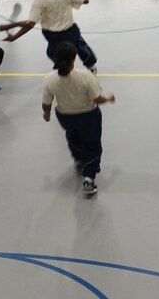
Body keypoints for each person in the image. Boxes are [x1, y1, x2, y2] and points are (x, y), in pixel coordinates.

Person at [42, 41, 116, 197]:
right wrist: (108, 98)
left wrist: (46, 114)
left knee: (72, 136)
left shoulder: (49, 79)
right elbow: (96, 99)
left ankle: (79, 160)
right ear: (73, 59)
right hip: (88, 116)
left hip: (65, 117)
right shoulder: (85, 76)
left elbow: (46, 103)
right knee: (92, 145)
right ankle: (89, 178)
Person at [4, 0, 98, 74]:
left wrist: (15, 36)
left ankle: (62, 68)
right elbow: (86, 0)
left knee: (53, 53)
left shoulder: (39, 1)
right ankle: (91, 66)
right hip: (71, 32)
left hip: (53, 36)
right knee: (80, 46)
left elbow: (30, 24)